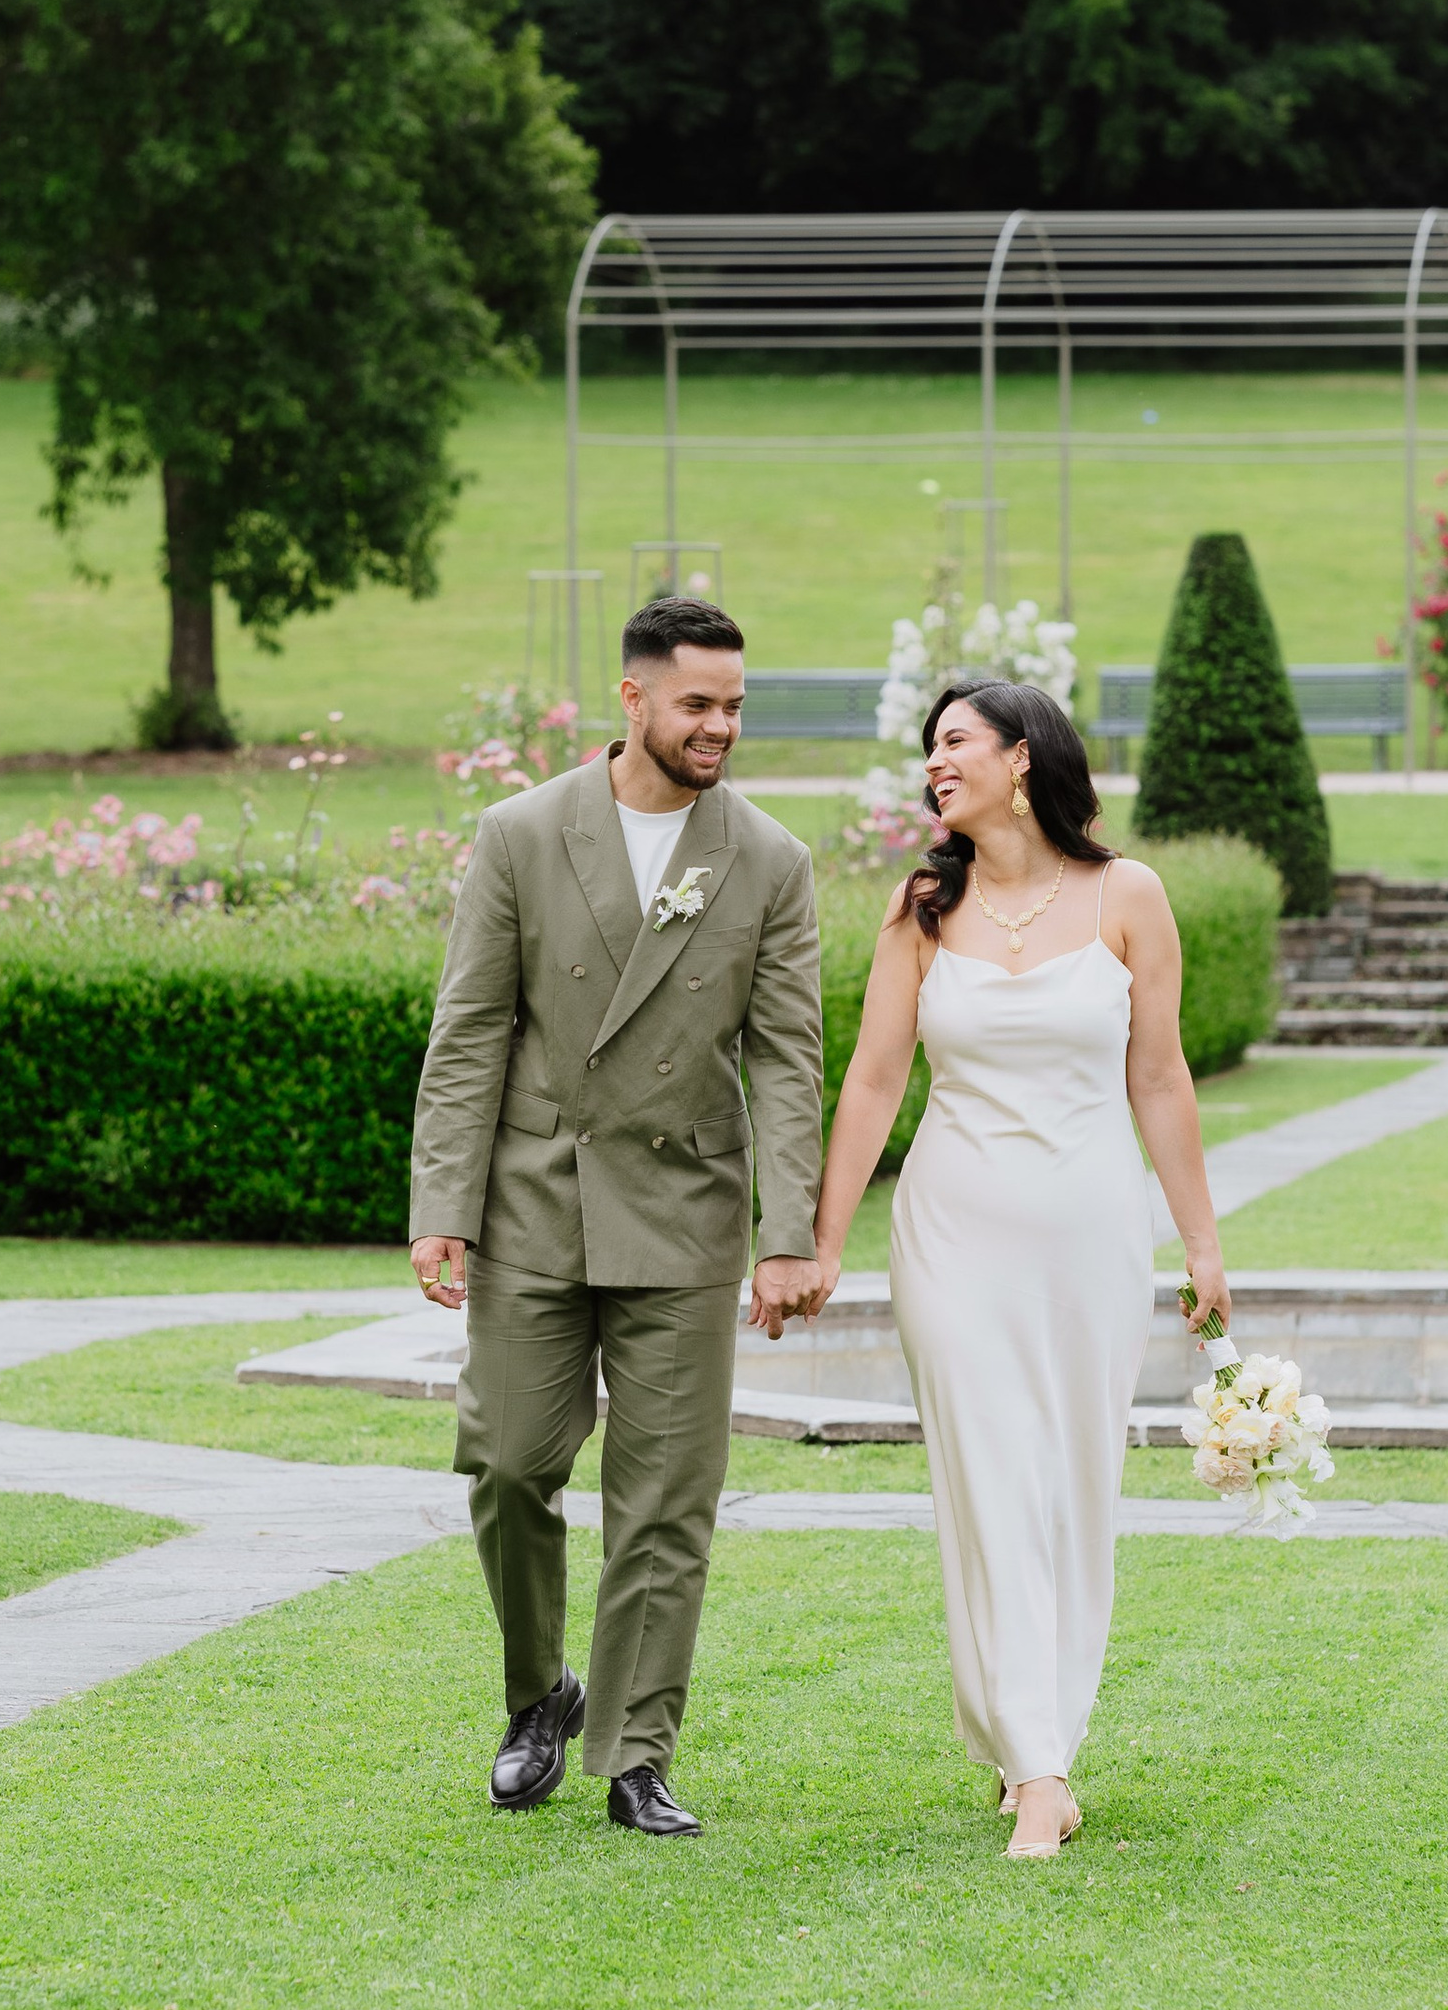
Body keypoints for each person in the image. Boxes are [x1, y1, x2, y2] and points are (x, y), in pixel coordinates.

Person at [408, 596, 828, 1834]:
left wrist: (789, 1232)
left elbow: (788, 1061)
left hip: (687, 1211)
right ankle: (537, 1690)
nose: (720, 728)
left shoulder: (769, 860)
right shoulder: (522, 833)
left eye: (735, 707)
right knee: (507, 1461)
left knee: (665, 1497)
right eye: (698, 704)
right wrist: (445, 1206)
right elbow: (469, 1031)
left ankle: (636, 1753)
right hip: (536, 1199)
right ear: (633, 699)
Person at [806, 678, 1233, 1860]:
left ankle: (1027, 1733)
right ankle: (1039, 1771)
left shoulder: (1127, 896)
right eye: (929, 748)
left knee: (1068, 1486)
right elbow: (876, 1081)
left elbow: (1161, 1078)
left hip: (1090, 1233)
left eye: (955, 745)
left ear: (1023, 758)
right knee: (987, 1476)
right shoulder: (921, 908)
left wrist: (1200, 1242)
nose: (935, 765)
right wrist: (823, 1238)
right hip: (953, 1233)